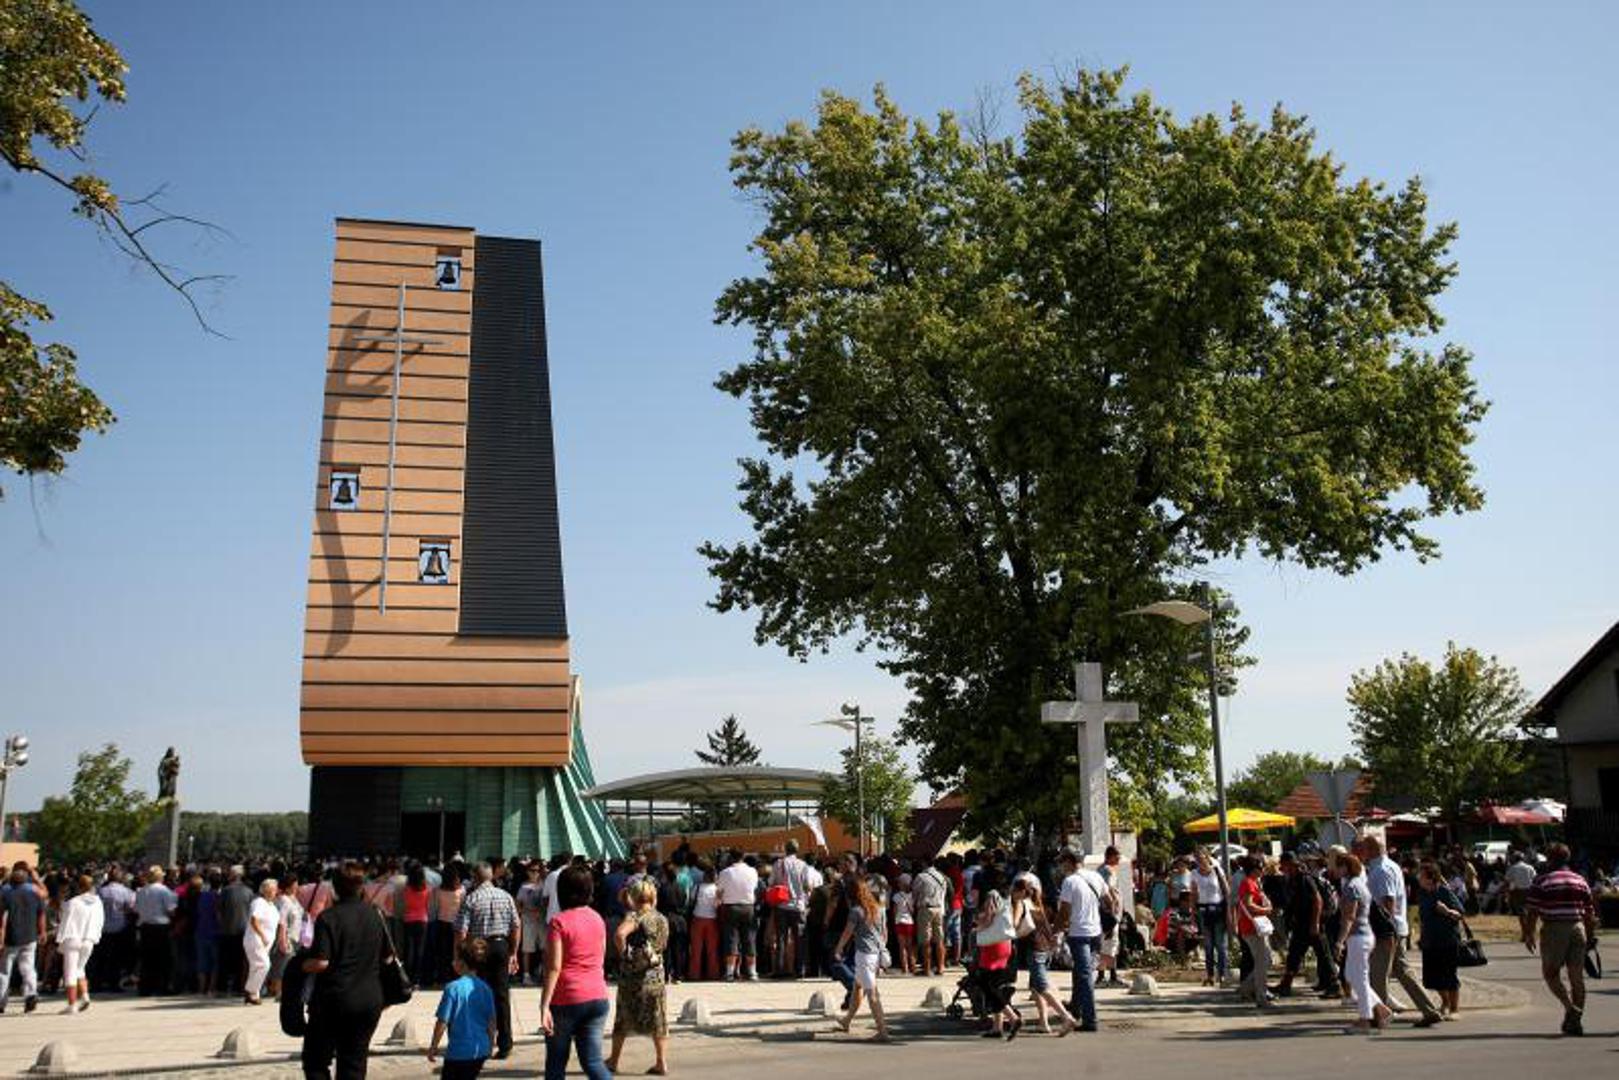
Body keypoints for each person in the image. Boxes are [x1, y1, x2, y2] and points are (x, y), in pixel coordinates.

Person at [301, 861, 392, 1080]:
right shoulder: (376, 916)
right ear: (361, 886)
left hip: (334, 999)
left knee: (315, 1060)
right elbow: (388, 957)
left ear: (335, 887)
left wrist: (301, 965)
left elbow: (321, 962)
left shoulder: (328, 918)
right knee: (354, 1062)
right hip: (369, 999)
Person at [1360, 836, 1442, 1027]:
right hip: (1394, 927)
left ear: (1372, 849)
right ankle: (1429, 1010)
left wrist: (1383, 930)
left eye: (1364, 849)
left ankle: (1378, 1015)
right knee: (1403, 972)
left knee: (1378, 974)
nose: (1362, 853)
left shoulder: (1381, 870)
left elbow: (1388, 901)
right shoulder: (1390, 866)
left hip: (1386, 930)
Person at [540, 865, 612, 1080]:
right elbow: (601, 957)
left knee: (556, 1064)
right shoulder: (598, 919)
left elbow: (554, 967)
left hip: (566, 998)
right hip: (597, 995)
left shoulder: (558, 922)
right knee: (593, 1062)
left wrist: (544, 1005)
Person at [1522, 842, 1599, 1036]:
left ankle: (1570, 1008)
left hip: (1555, 928)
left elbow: (1532, 911)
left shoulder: (1542, 880)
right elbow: (1590, 913)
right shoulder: (1580, 880)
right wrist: (1590, 936)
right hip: (1578, 927)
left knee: (1550, 973)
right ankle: (1575, 1022)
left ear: (1549, 859)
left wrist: (1529, 934)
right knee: (1576, 977)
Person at [455, 863, 521, 1060]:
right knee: (501, 996)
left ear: (475, 877)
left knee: (478, 994)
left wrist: (459, 956)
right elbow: (516, 926)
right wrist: (513, 952)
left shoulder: (471, 898)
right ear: (491, 877)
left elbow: (461, 931)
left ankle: (482, 1041)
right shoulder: (506, 896)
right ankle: (505, 1043)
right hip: (501, 945)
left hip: (479, 948)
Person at [607, 877, 671, 1074]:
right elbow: (663, 945)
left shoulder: (635, 917)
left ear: (634, 898)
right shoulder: (661, 918)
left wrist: (625, 954)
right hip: (656, 974)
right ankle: (661, 1061)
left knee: (623, 1017)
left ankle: (613, 1060)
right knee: (658, 1018)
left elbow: (619, 935)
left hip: (634, 976)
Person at [1334, 851, 1390, 1033]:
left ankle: (1365, 1019)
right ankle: (1380, 1008)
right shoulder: (1359, 884)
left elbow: (1349, 917)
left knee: (1359, 978)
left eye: (1339, 865)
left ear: (1346, 867)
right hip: (1362, 936)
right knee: (1353, 976)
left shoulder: (1351, 887)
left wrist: (1340, 941)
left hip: (1358, 937)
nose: (1336, 869)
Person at [833, 873, 892, 1042]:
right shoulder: (876, 908)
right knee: (857, 987)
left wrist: (838, 948)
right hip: (875, 954)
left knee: (873, 995)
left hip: (865, 955)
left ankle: (882, 1031)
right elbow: (884, 932)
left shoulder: (856, 911)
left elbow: (847, 932)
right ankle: (847, 1020)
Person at [1012, 876, 1075, 1036]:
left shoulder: (1021, 903)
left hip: (1034, 948)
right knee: (1036, 987)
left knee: (1041, 986)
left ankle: (1066, 1017)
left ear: (1020, 891)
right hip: (1045, 948)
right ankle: (1043, 1023)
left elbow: (1014, 924)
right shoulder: (1037, 904)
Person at [428, 937, 497, 1080]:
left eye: (455, 958)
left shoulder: (452, 988)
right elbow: (491, 1021)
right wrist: (490, 1045)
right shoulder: (486, 989)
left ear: (462, 963)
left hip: (458, 1052)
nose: (453, 962)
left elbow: (442, 1022)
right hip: (479, 1049)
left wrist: (433, 1046)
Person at [1056, 849, 1102, 1032]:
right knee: (1079, 973)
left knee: (1084, 975)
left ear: (1069, 861)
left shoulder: (1070, 881)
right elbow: (1110, 900)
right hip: (1096, 932)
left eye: (1062, 862)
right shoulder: (1096, 876)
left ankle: (1090, 1019)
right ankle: (1076, 1009)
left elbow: (1064, 911)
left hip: (1079, 933)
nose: (1061, 866)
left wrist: (1055, 930)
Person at [1414, 860, 1463, 1019]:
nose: (1418, 877)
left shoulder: (1444, 892)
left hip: (1447, 940)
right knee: (1432, 978)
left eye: (1421, 875)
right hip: (1429, 941)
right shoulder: (1422, 894)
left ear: (1430, 878)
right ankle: (1445, 1002)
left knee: (1449, 975)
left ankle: (1454, 1009)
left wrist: (1447, 911)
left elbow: (1460, 914)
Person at [55, 874, 103, 1014]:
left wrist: (60, 939)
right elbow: (100, 921)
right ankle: (85, 996)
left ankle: (72, 1004)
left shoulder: (72, 902)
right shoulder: (97, 902)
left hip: (72, 938)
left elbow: (64, 920)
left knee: (70, 972)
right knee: (80, 969)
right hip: (89, 938)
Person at [0, 864, 44, 1014]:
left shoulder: (5, 893)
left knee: (4, 971)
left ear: (12, 881)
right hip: (30, 936)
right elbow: (41, 913)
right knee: (28, 967)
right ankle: (31, 994)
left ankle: (1, 1001)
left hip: (11, 937)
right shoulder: (34, 893)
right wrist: (42, 931)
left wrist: (1, 939)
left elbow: (2, 919)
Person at [1233, 855, 1274, 1008]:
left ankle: (1246, 988)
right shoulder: (1249, 883)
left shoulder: (1254, 882)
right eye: (1261, 867)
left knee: (1265, 961)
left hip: (1253, 928)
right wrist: (1266, 910)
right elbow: (1248, 904)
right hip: (1252, 928)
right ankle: (1261, 996)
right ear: (1254, 869)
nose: (1263, 870)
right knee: (1262, 963)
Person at [715, 849, 760, 982]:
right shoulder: (752, 871)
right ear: (743, 856)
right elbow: (755, 888)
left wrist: (719, 900)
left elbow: (719, 891)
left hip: (731, 907)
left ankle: (730, 973)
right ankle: (752, 972)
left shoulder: (725, 873)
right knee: (750, 939)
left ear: (730, 858)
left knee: (731, 939)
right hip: (748, 907)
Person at [771, 839, 811, 978]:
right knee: (799, 939)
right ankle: (800, 970)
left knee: (781, 938)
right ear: (797, 850)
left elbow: (772, 883)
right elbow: (807, 886)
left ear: (786, 850)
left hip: (782, 905)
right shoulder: (803, 865)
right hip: (798, 906)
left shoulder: (779, 864)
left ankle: (780, 970)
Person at [1189, 849, 1229, 987]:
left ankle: (1222, 974)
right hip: (1203, 910)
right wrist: (1192, 914)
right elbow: (1193, 894)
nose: (1200, 861)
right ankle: (1210, 975)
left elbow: (1226, 890)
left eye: (1202, 858)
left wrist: (1230, 911)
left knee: (1220, 944)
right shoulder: (1194, 873)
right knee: (1208, 945)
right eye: (1197, 859)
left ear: (1207, 857)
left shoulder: (1217, 871)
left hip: (1218, 909)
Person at [243, 879, 281, 1005]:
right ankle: (250, 990)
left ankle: (253, 995)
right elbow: (254, 920)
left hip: (265, 943)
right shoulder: (259, 902)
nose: (275, 892)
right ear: (266, 890)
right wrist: (263, 936)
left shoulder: (272, 906)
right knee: (264, 965)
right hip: (256, 939)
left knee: (256, 967)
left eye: (275, 889)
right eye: (273, 889)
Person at [217, 867, 254, 997]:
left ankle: (224, 987)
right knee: (240, 960)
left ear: (233, 876)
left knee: (226, 960)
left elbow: (219, 911)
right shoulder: (249, 892)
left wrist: (222, 925)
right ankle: (239, 986)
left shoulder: (225, 891)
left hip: (227, 931)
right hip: (243, 931)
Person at [912, 858, 949, 977]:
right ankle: (941, 967)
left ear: (924, 863)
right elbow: (944, 895)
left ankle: (927, 969)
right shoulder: (941, 877)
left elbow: (914, 893)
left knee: (925, 940)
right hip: (939, 908)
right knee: (939, 939)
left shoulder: (921, 876)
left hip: (925, 908)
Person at [272, 871, 306, 1001]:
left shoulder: (294, 899)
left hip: (295, 937)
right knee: (283, 964)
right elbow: (282, 921)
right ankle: (278, 991)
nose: (297, 886)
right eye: (294, 885)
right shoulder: (284, 901)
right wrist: (282, 940)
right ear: (287, 887)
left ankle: (284, 990)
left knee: (289, 964)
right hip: (287, 937)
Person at [687, 861, 720, 981]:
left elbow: (691, 900)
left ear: (704, 876)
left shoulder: (697, 887)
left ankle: (694, 974)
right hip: (712, 920)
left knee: (696, 949)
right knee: (712, 949)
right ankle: (713, 974)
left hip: (697, 918)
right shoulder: (717, 889)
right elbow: (718, 904)